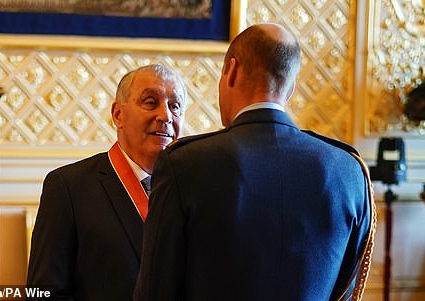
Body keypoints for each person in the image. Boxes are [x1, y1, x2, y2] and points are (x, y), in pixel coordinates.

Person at [134, 23, 375, 301]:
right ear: (292, 86)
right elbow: (345, 289)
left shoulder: (185, 163)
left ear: (232, 71)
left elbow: (156, 292)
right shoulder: (348, 170)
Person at [27, 64, 186, 300]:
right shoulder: (68, 187)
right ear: (118, 115)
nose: (165, 116)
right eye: (151, 102)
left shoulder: (193, 189)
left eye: (175, 106)